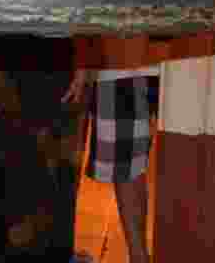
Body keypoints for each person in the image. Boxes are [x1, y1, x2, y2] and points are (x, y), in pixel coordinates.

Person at [0, 35, 94, 263]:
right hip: (45, 46)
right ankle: (43, 250)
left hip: (10, 40)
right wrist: (83, 56)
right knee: (39, 161)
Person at [70, 36, 168, 263]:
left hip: (184, 55)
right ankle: (139, 257)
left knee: (135, 164)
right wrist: (83, 57)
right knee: (126, 165)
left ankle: (140, 255)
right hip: (119, 56)